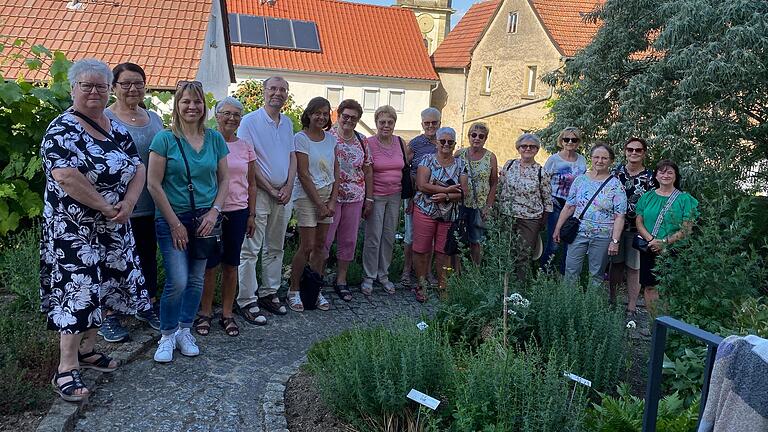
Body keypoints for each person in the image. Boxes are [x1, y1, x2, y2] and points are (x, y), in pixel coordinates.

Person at [41, 58, 149, 401]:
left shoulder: (115, 127)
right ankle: (66, 369)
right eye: (86, 85)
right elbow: (66, 177)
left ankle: (88, 351)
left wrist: (129, 205)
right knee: (79, 293)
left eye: (100, 86)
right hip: (74, 233)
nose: (94, 92)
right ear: (73, 89)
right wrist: (106, 206)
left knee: (104, 290)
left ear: (108, 90)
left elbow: (138, 167)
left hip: (113, 226)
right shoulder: (61, 130)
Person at [147, 80, 229, 362]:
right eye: (186, 101)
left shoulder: (215, 139)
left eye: (197, 102)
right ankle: (167, 335)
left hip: (206, 218)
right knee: (178, 279)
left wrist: (215, 211)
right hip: (173, 217)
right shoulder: (165, 139)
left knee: (195, 279)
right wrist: (174, 223)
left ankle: (185, 329)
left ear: (204, 106)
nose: (192, 107)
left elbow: (225, 179)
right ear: (177, 105)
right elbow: (153, 185)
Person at [104, 62, 164, 338]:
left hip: (151, 202)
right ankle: (110, 315)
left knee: (147, 255)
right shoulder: (104, 118)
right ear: (114, 87)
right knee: (114, 259)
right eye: (126, 83)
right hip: (116, 205)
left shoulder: (154, 119)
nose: (132, 89)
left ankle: (147, 304)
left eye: (138, 83)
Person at [196, 97, 259, 336]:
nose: (232, 118)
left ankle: (227, 313)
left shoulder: (245, 146)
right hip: (211, 212)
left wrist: (251, 214)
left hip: (238, 211)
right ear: (216, 115)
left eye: (236, 114)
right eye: (226, 113)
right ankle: (205, 313)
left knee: (231, 264)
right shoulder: (206, 141)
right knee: (209, 266)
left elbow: (251, 183)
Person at [237, 77, 295, 319]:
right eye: (273, 88)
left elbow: (292, 156)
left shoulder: (288, 123)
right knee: (250, 249)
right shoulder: (249, 122)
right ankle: (247, 299)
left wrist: (290, 185)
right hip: (260, 194)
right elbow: (249, 162)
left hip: (284, 194)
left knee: (276, 246)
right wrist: (270, 190)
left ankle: (269, 292)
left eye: (282, 89)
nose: (278, 93)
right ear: (264, 91)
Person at [287, 97, 339, 312]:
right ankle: (294, 290)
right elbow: (304, 173)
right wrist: (319, 204)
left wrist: (332, 201)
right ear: (309, 114)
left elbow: (337, 171)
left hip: (327, 195)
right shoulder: (301, 138)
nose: (321, 117)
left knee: (320, 246)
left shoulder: (331, 139)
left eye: (325, 113)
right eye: (317, 112)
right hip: (308, 196)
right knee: (307, 246)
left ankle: (315, 290)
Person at [553, 143, 626, 287]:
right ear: (591, 158)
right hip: (578, 232)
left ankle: (593, 307)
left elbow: (620, 216)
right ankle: (570, 305)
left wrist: (615, 241)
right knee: (571, 270)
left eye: (604, 158)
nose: (600, 161)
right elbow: (569, 206)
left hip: (603, 236)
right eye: (596, 157)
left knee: (597, 275)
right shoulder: (580, 180)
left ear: (611, 161)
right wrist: (557, 228)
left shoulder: (616, 185)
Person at [323, 99, 372, 301]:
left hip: (355, 197)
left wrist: (369, 198)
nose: (349, 120)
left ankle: (341, 280)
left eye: (354, 117)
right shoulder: (327, 137)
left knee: (349, 240)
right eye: (346, 116)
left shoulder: (362, 140)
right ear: (338, 115)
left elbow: (368, 170)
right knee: (325, 240)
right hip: (330, 197)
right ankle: (317, 278)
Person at [412, 127, 468, 302]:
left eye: (449, 142)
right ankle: (422, 285)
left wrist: (446, 195)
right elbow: (421, 185)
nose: (445, 144)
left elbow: (464, 192)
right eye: (442, 141)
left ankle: (442, 285)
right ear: (436, 142)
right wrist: (448, 189)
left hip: (449, 215)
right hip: (425, 210)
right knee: (421, 249)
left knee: (444, 252)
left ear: (454, 144)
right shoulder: (426, 160)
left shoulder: (460, 164)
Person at [635, 160, 699, 313]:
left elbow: (686, 229)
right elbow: (639, 221)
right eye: (662, 172)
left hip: (673, 249)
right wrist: (651, 241)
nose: (665, 175)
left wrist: (664, 242)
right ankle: (654, 324)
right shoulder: (647, 197)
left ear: (676, 176)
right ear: (656, 175)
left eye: (670, 172)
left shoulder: (685, 199)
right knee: (650, 286)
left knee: (669, 288)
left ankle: (668, 326)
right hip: (650, 247)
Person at [361, 105, 407, 295]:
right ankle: (368, 277)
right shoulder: (369, 143)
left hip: (395, 195)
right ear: (376, 123)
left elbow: (406, 167)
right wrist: (368, 198)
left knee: (388, 236)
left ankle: (384, 275)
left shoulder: (400, 142)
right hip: (376, 196)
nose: (386, 126)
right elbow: (365, 170)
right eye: (382, 122)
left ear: (395, 123)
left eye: (390, 122)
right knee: (373, 237)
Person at [497, 133, 552, 280]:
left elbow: (547, 199)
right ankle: (503, 283)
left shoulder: (541, 172)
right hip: (507, 215)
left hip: (530, 219)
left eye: (532, 146)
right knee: (505, 251)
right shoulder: (509, 165)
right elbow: (500, 188)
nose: (528, 148)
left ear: (537, 149)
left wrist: (542, 222)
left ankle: (520, 287)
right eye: (524, 146)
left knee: (524, 254)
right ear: (518, 148)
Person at [608, 138, 654, 316]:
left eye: (638, 150)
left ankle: (632, 306)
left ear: (644, 153)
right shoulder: (615, 173)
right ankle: (612, 300)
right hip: (615, 228)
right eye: (630, 149)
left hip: (638, 230)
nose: (633, 153)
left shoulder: (650, 178)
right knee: (615, 265)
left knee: (634, 268)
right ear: (625, 151)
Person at [401, 107, 441, 287]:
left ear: (439, 123)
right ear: (422, 124)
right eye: (427, 123)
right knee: (410, 237)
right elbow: (406, 170)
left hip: (437, 198)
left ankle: (426, 272)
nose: (430, 126)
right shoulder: (415, 144)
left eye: (434, 123)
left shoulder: (444, 142)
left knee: (431, 238)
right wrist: (408, 198)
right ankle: (406, 272)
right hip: (415, 197)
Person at [541, 127, 587, 272]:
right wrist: (547, 202)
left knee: (570, 240)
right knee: (554, 240)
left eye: (574, 140)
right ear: (561, 141)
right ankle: (545, 273)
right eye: (566, 139)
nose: (570, 142)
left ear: (578, 142)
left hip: (574, 205)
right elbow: (543, 181)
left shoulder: (582, 160)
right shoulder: (553, 160)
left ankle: (564, 275)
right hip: (556, 202)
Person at [455, 122, 498, 264]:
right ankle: (456, 271)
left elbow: (493, 182)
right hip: (461, 203)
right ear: (469, 136)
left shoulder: (490, 157)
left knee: (477, 240)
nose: (477, 138)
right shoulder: (459, 154)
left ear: (485, 138)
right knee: (458, 238)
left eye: (481, 136)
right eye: (474, 135)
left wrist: (489, 206)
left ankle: (475, 272)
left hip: (480, 206)